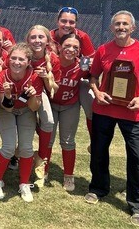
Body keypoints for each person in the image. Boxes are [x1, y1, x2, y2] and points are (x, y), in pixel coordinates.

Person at [84, 10, 139, 227]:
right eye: (117, 24)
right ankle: (98, 188)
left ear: (133, 27)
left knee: (137, 158)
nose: (121, 27)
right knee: (98, 151)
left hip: (133, 112)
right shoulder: (103, 50)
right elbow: (93, 77)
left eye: (125, 24)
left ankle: (137, 204)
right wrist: (97, 93)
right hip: (105, 109)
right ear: (111, 27)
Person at [0, 43, 44, 202]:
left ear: (28, 62)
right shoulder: (2, 76)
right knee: (8, 146)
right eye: (13, 58)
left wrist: (33, 96)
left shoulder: (34, 77)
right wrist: (7, 94)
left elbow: (34, 107)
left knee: (26, 147)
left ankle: (25, 184)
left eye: (21, 59)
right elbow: (6, 108)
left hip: (26, 110)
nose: (16, 62)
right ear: (8, 59)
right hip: (7, 110)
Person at [47, 34, 89, 191]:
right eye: (67, 46)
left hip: (70, 105)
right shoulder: (50, 62)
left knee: (68, 141)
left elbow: (95, 75)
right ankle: (42, 172)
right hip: (51, 104)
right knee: (48, 140)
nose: (71, 49)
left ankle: (69, 176)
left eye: (75, 47)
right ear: (59, 47)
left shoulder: (82, 67)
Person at [50, 7, 95, 146]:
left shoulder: (82, 36)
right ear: (57, 21)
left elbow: (89, 60)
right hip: (52, 77)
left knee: (92, 106)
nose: (67, 25)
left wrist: (83, 68)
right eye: (64, 21)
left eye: (71, 22)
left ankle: (95, 143)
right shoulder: (49, 36)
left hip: (76, 77)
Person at [25, 25, 60, 187]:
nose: (37, 40)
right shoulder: (22, 53)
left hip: (39, 94)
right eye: (33, 37)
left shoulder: (52, 58)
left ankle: (41, 158)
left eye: (41, 37)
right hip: (21, 94)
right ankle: (16, 157)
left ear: (47, 40)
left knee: (49, 121)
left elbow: (56, 87)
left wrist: (46, 78)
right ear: (28, 40)